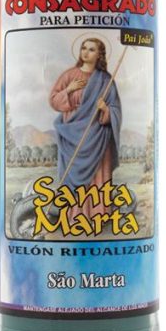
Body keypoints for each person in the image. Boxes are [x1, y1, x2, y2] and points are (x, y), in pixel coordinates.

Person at [49, 38, 122, 223]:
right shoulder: (69, 75)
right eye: (83, 48)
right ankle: (72, 217)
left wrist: (105, 109)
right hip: (72, 135)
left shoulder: (105, 80)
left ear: (99, 55)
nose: (86, 52)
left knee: (97, 175)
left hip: (97, 137)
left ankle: (98, 216)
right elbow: (54, 100)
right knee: (71, 174)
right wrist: (68, 90)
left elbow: (116, 110)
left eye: (91, 49)